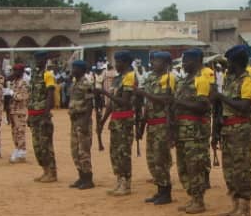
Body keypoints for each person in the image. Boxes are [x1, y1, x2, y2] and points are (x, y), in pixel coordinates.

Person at [211, 44, 251, 216]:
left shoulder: (248, 81)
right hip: (227, 128)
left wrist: (221, 96)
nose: (226, 65)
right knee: (229, 168)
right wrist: (216, 130)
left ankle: (244, 207)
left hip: (240, 129)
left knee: (241, 168)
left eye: (229, 62)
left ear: (235, 62)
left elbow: (244, 106)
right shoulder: (229, 79)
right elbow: (221, 107)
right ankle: (235, 205)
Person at [172, 49, 213, 213]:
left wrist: (179, 103)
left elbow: (203, 107)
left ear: (197, 61)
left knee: (195, 166)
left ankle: (199, 200)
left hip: (195, 132)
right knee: (183, 167)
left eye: (187, 61)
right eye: (183, 61)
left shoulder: (201, 80)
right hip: (181, 130)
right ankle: (192, 197)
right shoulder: (182, 81)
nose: (183, 64)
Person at [135, 51, 176, 205]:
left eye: (157, 61)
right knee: (152, 159)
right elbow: (148, 105)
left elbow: (167, 100)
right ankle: (159, 189)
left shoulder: (169, 78)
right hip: (152, 124)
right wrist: (142, 125)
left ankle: (166, 191)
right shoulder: (151, 78)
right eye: (153, 61)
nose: (153, 63)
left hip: (163, 124)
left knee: (161, 159)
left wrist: (145, 94)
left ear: (166, 64)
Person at [96, 51, 137, 196]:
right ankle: (119, 180)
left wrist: (104, 93)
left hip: (125, 121)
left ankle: (126, 183)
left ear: (125, 62)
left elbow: (124, 101)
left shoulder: (130, 77)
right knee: (115, 153)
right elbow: (111, 104)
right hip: (116, 121)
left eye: (118, 62)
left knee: (123, 153)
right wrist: (102, 121)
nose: (116, 65)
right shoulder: (117, 79)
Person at [27, 50, 58, 182]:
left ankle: (52, 172)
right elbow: (32, 97)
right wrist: (29, 115)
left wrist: (46, 114)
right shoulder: (34, 76)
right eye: (36, 59)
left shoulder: (48, 75)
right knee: (37, 146)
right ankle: (45, 170)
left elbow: (50, 95)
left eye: (40, 59)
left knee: (46, 145)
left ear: (45, 61)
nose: (37, 62)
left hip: (42, 115)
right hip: (34, 114)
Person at [66, 59, 96, 189]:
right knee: (75, 150)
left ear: (82, 70)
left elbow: (90, 104)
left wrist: (85, 122)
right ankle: (81, 176)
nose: (73, 70)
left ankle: (88, 179)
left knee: (84, 151)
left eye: (75, 68)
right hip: (74, 120)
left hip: (83, 120)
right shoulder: (75, 83)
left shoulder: (86, 84)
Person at [8, 63, 29, 163]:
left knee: (20, 131)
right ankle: (17, 148)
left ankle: (22, 152)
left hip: (20, 111)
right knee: (14, 131)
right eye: (14, 70)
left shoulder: (24, 83)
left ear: (21, 72)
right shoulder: (14, 82)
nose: (14, 72)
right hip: (13, 110)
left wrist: (12, 94)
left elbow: (22, 97)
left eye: (16, 71)